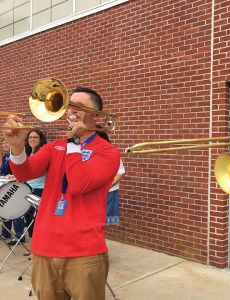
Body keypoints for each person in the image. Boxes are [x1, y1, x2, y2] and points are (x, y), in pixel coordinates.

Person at [3, 86, 120, 300]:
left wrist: (74, 142)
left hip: (84, 252)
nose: (71, 111)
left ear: (96, 115)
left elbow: (79, 184)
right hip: (44, 247)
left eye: (79, 106)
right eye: (69, 105)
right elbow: (25, 172)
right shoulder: (55, 147)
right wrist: (17, 148)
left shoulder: (108, 152)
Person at [0, 139, 25, 245]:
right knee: (6, 208)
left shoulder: (16, 155)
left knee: (15, 210)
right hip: (7, 184)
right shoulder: (6, 156)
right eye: (3, 143)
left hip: (17, 185)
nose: (5, 144)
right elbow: (3, 171)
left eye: (7, 142)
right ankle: (6, 232)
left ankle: (19, 235)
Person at [23, 129, 47, 238]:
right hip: (28, 188)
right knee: (28, 218)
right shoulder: (28, 153)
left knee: (38, 220)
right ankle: (34, 246)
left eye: (35, 137)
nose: (32, 139)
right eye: (30, 137)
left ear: (40, 139)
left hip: (40, 190)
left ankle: (39, 247)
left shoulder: (43, 152)